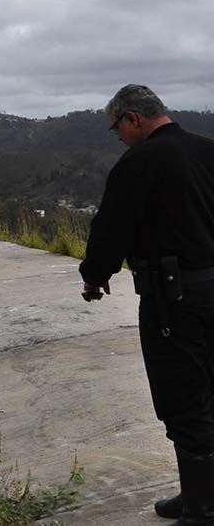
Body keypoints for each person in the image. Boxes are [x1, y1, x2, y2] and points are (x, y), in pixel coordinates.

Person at [80, 84, 214, 524]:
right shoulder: (206, 150)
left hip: (175, 300)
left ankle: (202, 507)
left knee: (184, 398)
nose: (117, 136)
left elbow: (111, 228)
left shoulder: (139, 162)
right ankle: (199, 490)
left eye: (116, 126)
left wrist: (94, 276)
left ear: (132, 118)